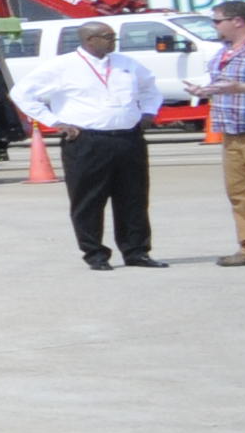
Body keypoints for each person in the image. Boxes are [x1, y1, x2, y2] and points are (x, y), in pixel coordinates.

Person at [15, 19, 172, 269]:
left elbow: (150, 89)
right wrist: (54, 122)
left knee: (133, 198)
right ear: (90, 40)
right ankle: (95, 254)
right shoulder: (62, 67)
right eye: (108, 36)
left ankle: (136, 252)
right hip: (87, 141)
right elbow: (21, 93)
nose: (113, 41)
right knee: (88, 200)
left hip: (127, 139)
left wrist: (149, 112)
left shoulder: (127, 65)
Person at [204, 0, 245, 266]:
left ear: (237, 20)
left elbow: (238, 85)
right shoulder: (223, 50)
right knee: (241, 192)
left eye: (217, 20)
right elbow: (222, 84)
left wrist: (241, 88)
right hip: (231, 130)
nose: (214, 26)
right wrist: (205, 90)